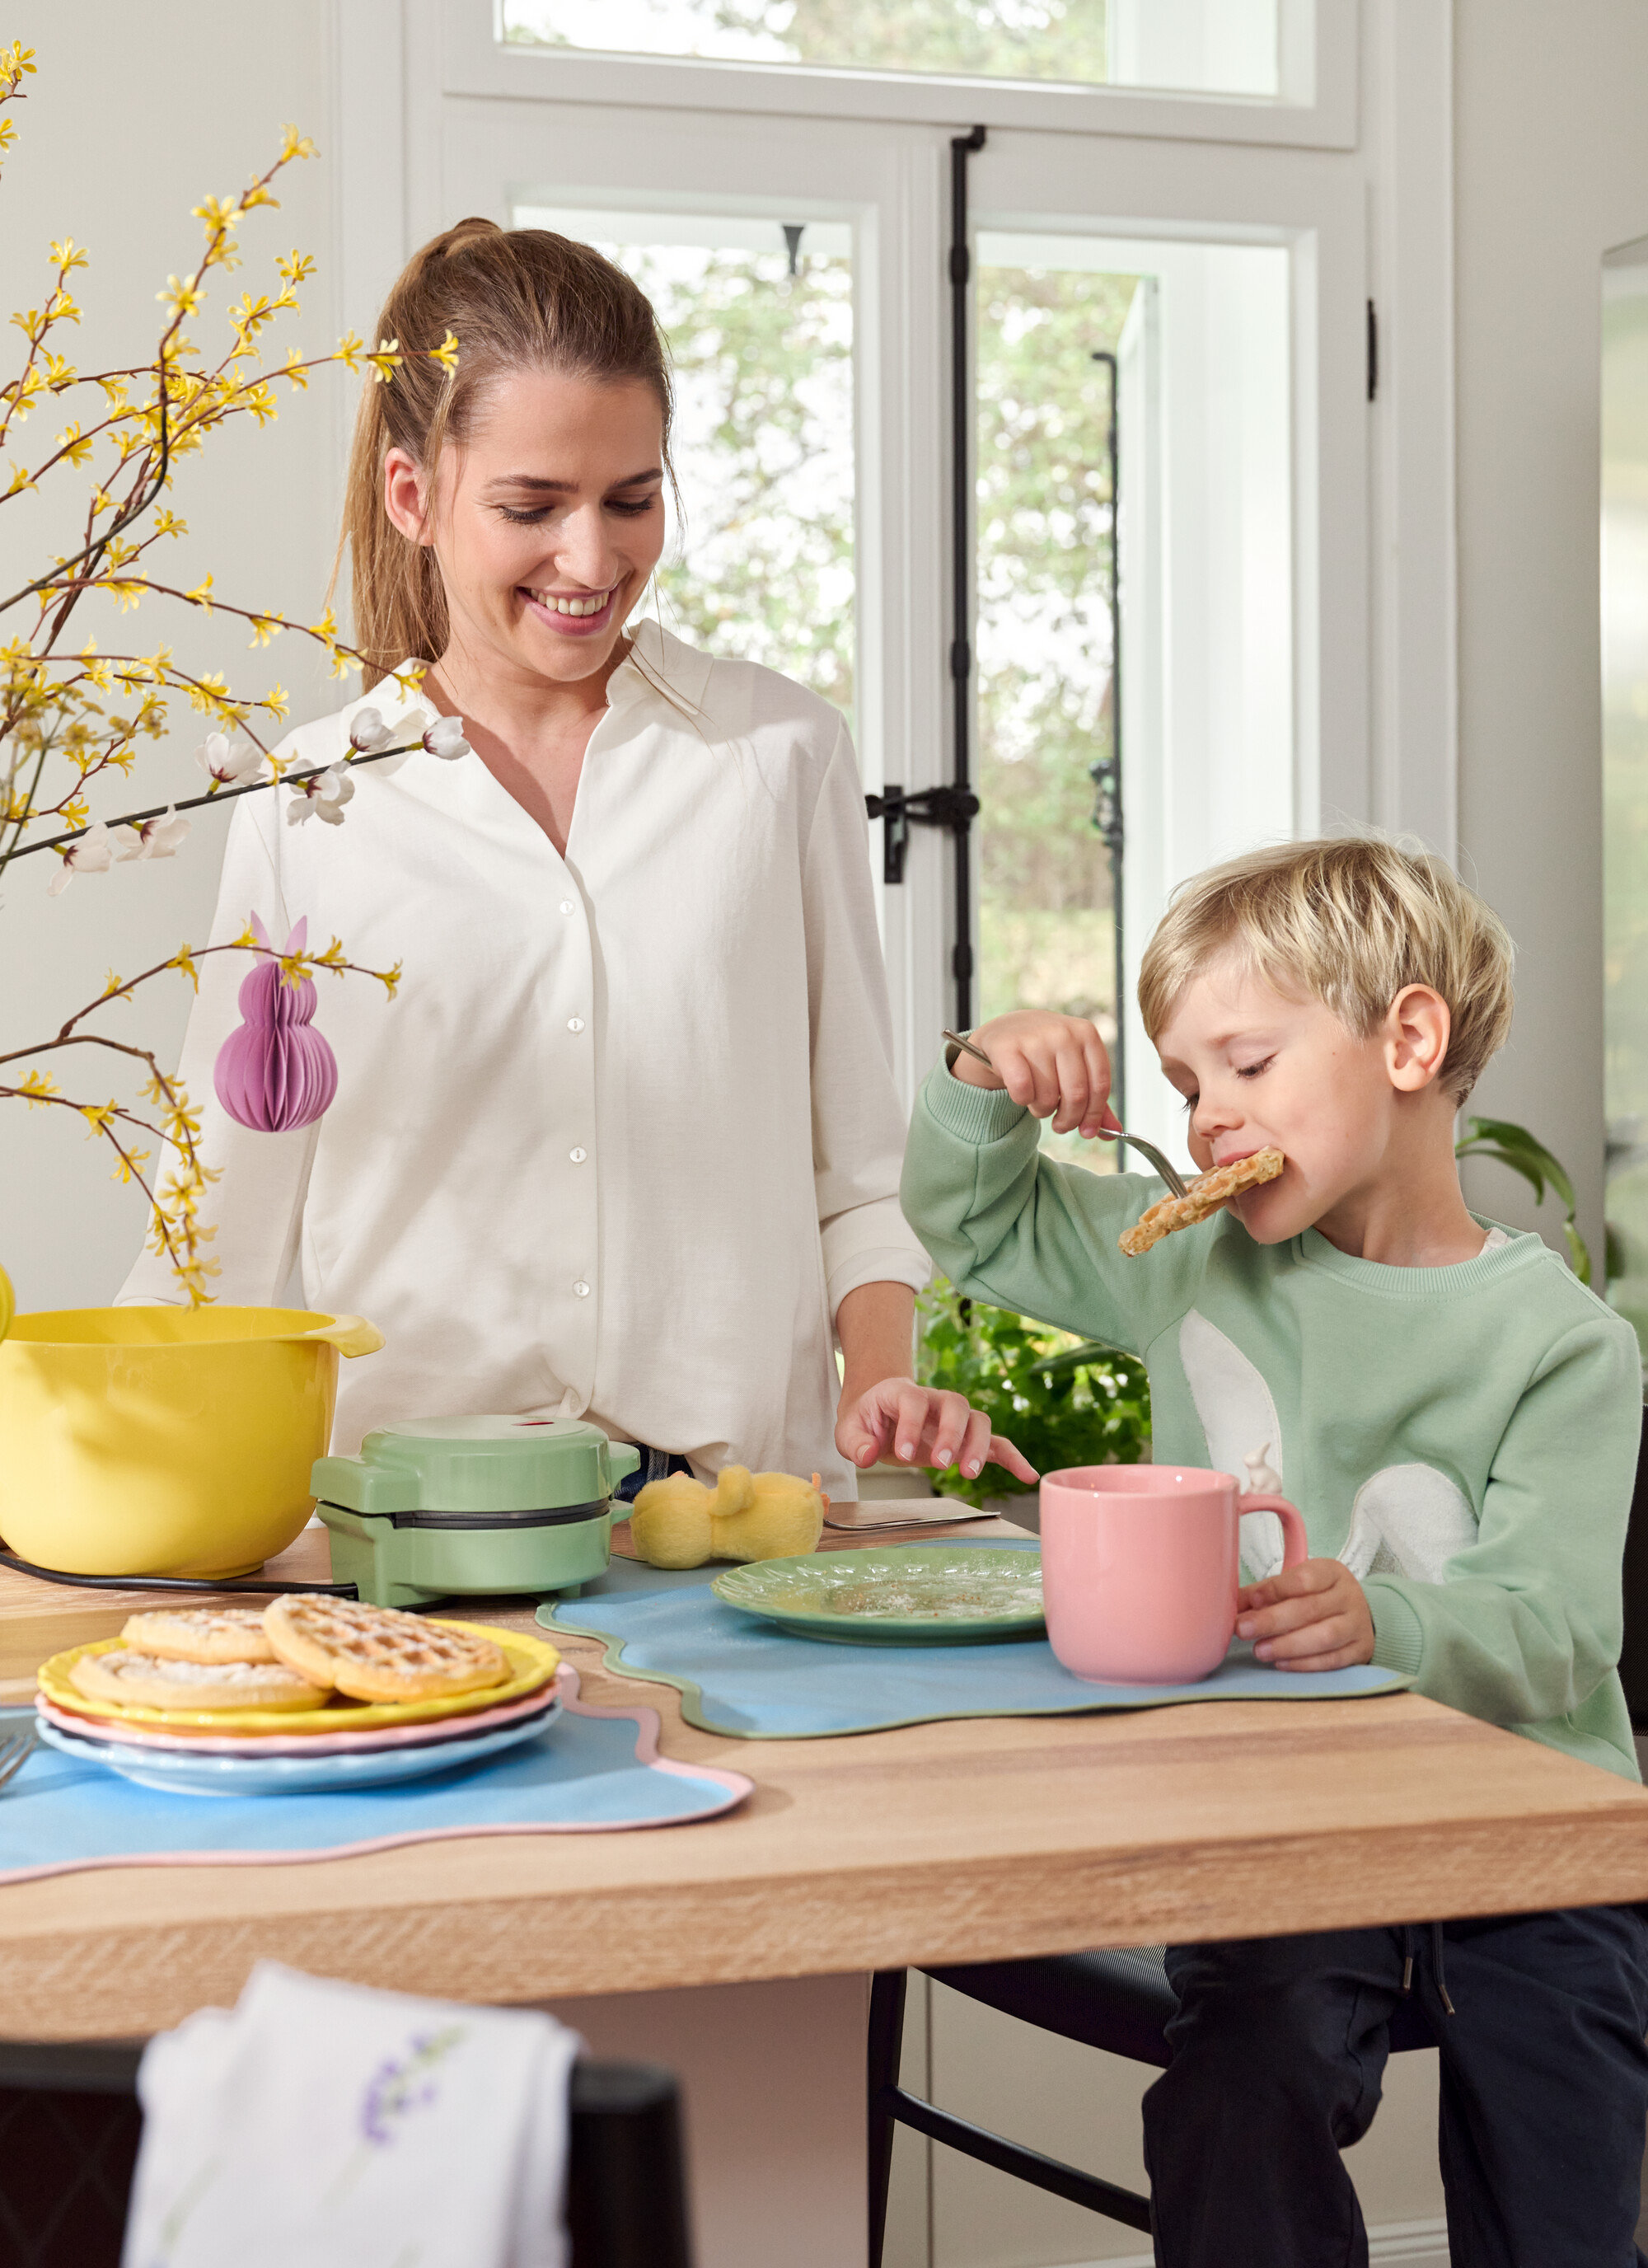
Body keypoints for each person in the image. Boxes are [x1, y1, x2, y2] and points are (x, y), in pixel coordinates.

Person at [122, 218, 1032, 1501]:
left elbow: (858, 1176)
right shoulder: (308, 805)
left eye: (632, 498)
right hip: (416, 1533)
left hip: (742, 1526)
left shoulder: (777, 757)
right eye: (531, 507)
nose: (593, 560)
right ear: (412, 496)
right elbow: (218, 1218)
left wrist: (877, 1377)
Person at [899, 834, 1648, 2267]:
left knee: (1565, 2137)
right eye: (1185, 1086)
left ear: (1409, 1040)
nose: (1208, 1123)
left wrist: (1390, 1624)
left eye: (1245, 1066)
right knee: (1243, 2085)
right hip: (1287, 1830)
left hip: (1530, 1832)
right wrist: (985, 1079)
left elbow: (1560, 1628)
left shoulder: (1562, 1342)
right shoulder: (1193, 1251)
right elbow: (977, 1223)